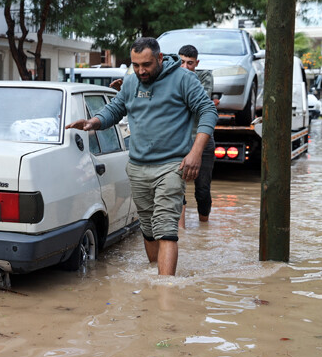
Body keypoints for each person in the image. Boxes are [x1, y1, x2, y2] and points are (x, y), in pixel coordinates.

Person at [66, 37, 217, 276]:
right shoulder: (130, 82)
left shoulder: (184, 79)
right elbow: (116, 108)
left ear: (159, 58)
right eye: (135, 65)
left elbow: (208, 110)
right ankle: (153, 281)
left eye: (145, 64)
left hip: (171, 165)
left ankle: (165, 295)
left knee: (166, 228)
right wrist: (94, 121)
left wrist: (196, 152)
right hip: (137, 167)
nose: (140, 71)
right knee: (148, 228)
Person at [177, 44, 218, 229]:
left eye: (190, 63)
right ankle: (180, 234)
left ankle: (204, 228)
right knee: (177, 190)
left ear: (197, 63)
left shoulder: (204, 76)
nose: (185, 66)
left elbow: (197, 100)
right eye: (181, 62)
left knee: (202, 191)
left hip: (203, 142)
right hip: (179, 142)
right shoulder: (171, 77)